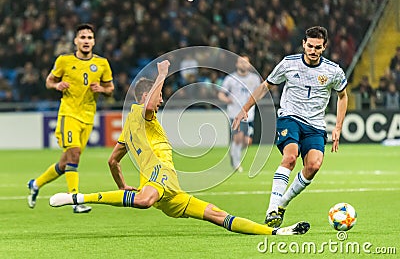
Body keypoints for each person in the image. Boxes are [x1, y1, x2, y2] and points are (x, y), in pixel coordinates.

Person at [49, 60, 310, 236]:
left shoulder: (129, 128)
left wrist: (121, 186)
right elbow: (150, 105)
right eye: (160, 94)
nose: (162, 99)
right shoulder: (142, 111)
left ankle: (276, 232)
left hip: (171, 192)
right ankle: (77, 198)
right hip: (159, 177)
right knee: (143, 200)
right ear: (146, 95)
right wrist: (161, 74)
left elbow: (112, 162)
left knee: (217, 215)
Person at [233, 26, 348, 228]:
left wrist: (338, 126)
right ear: (304, 44)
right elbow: (265, 86)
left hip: (315, 125)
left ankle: (282, 204)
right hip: (290, 117)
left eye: (317, 47)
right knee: (291, 156)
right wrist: (245, 108)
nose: (313, 51)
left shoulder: (333, 71)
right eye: (310, 46)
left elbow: (343, 96)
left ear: (324, 47)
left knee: (313, 166)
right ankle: (271, 209)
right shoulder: (289, 63)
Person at [27, 23, 115, 213]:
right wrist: (56, 86)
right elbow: (49, 81)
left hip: (88, 117)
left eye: (89, 38)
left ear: (94, 42)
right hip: (68, 114)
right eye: (82, 37)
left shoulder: (102, 63)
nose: (86, 41)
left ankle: (36, 184)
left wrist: (102, 89)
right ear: (75, 41)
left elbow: (110, 89)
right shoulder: (64, 61)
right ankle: (75, 200)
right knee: (74, 153)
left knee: (66, 162)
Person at [218, 55, 261, 172]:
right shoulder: (230, 79)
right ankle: (236, 164)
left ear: (249, 65)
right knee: (238, 138)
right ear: (237, 64)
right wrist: (227, 100)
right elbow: (221, 94)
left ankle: (233, 151)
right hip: (235, 114)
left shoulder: (254, 79)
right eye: (241, 62)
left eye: (245, 62)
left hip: (249, 114)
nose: (243, 64)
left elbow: (259, 92)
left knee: (247, 142)